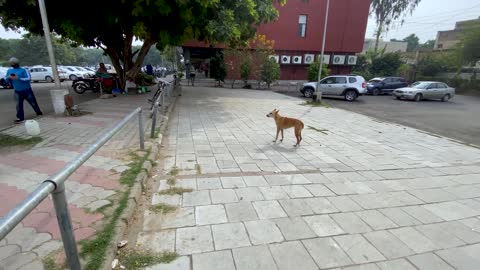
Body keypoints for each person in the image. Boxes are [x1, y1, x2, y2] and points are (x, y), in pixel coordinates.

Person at [4, 57, 43, 124]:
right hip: (17, 91)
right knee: (18, 105)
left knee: (33, 102)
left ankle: (38, 113)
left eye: (14, 63)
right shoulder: (9, 71)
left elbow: (28, 78)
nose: (13, 64)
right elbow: (6, 79)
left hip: (27, 90)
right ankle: (20, 118)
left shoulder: (24, 70)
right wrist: (8, 78)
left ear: (17, 63)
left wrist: (18, 78)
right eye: (12, 63)